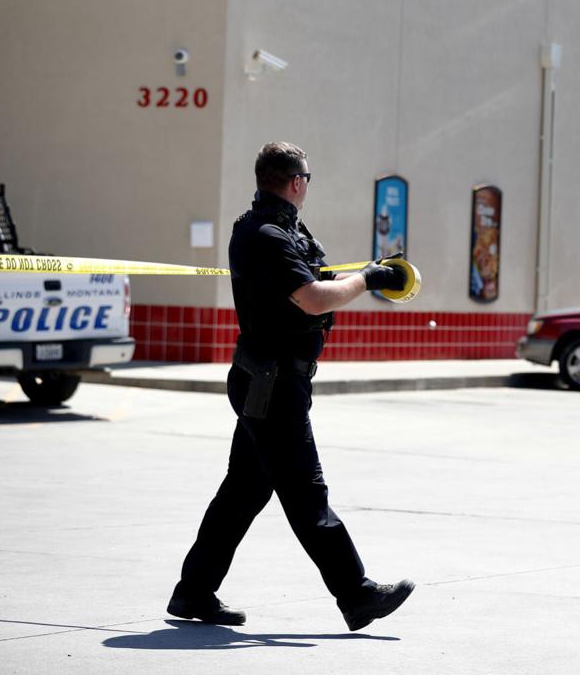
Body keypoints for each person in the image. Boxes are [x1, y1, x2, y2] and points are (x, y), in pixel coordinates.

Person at [167, 141, 414, 631]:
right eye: (308, 180)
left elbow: (311, 280)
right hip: (273, 384)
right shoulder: (269, 235)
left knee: (242, 492)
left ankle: (193, 590)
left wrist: (362, 274)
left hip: (265, 377)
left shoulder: (266, 228)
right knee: (306, 493)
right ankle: (357, 594)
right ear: (297, 182)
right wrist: (366, 279)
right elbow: (313, 298)